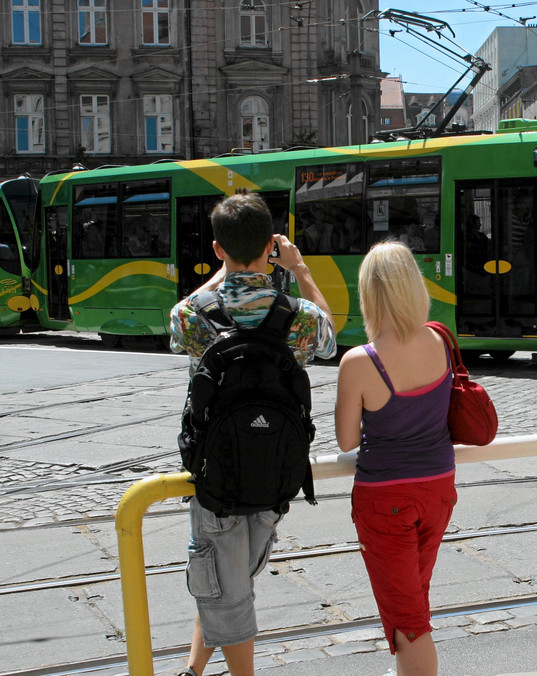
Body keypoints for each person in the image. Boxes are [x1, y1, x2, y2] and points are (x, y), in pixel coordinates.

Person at [170, 192, 336, 676]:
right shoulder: (298, 315)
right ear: (271, 244)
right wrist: (299, 269)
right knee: (230, 579)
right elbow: (329, 333)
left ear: (217, 249)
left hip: (214, 473)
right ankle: (193, 671)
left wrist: (228, 266)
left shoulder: (192, 315)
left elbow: (182, 315)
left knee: (225, 584)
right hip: (275, 473)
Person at [335, 241, 457, 676]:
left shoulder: (358, 362)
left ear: (369, 293)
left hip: (386, 499)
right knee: (414, 597)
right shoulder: (441, 341)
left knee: (409, 622)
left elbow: (347, 440)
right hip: (439, 488)